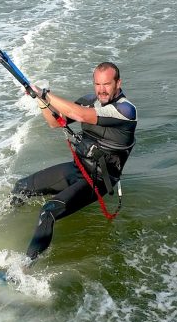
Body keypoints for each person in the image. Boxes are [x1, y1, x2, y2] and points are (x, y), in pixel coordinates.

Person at [11, 62, 137, 260]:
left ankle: (24, 268)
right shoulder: (89, 100)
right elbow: (55, 122)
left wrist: (44, 93)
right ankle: (8, 223)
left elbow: (77, 114)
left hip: (99, 179)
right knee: (21, 187)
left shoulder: (125, 111)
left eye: (107, 84)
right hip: (78, 168)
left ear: (118, 83)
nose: (101, 90)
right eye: (97, 84)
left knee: (48, 212)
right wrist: (41, 100)